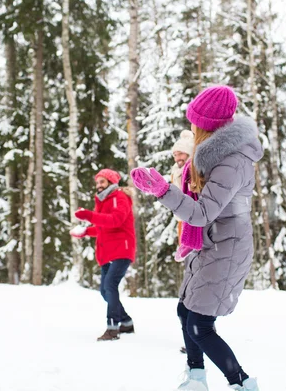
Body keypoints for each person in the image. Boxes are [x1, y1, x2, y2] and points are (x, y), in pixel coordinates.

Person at [131, 85, 263, 391]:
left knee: (200, 325)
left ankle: (241, 383)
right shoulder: (212, 157)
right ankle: (196, 378)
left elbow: (203, 213)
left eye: (196, 121)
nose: (192, 126)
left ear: (209, 125)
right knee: (185, 311)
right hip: (212, 244)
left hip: (226, 249)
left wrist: (162, 190)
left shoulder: (232, 161)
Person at [70, 169, 136, 341]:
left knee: (110, 285)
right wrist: (85, 231)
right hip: (108, 251)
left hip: (122, 249)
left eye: (102, 182)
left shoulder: (119, 198)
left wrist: (89, 216)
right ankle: (126, 322)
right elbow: (103, 227)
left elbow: (115, 220)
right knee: (105, 291)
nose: (99, 185)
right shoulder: (103, 200)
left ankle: (112, 328)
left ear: (111, 183)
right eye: (97, 182)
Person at [170, 130, 194, 242]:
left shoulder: (195, 170)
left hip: (194, 220)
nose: (177, 158)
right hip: (181, 221)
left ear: (189, 153)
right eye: (175, 155)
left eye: (181, 154)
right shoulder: (175, 173)